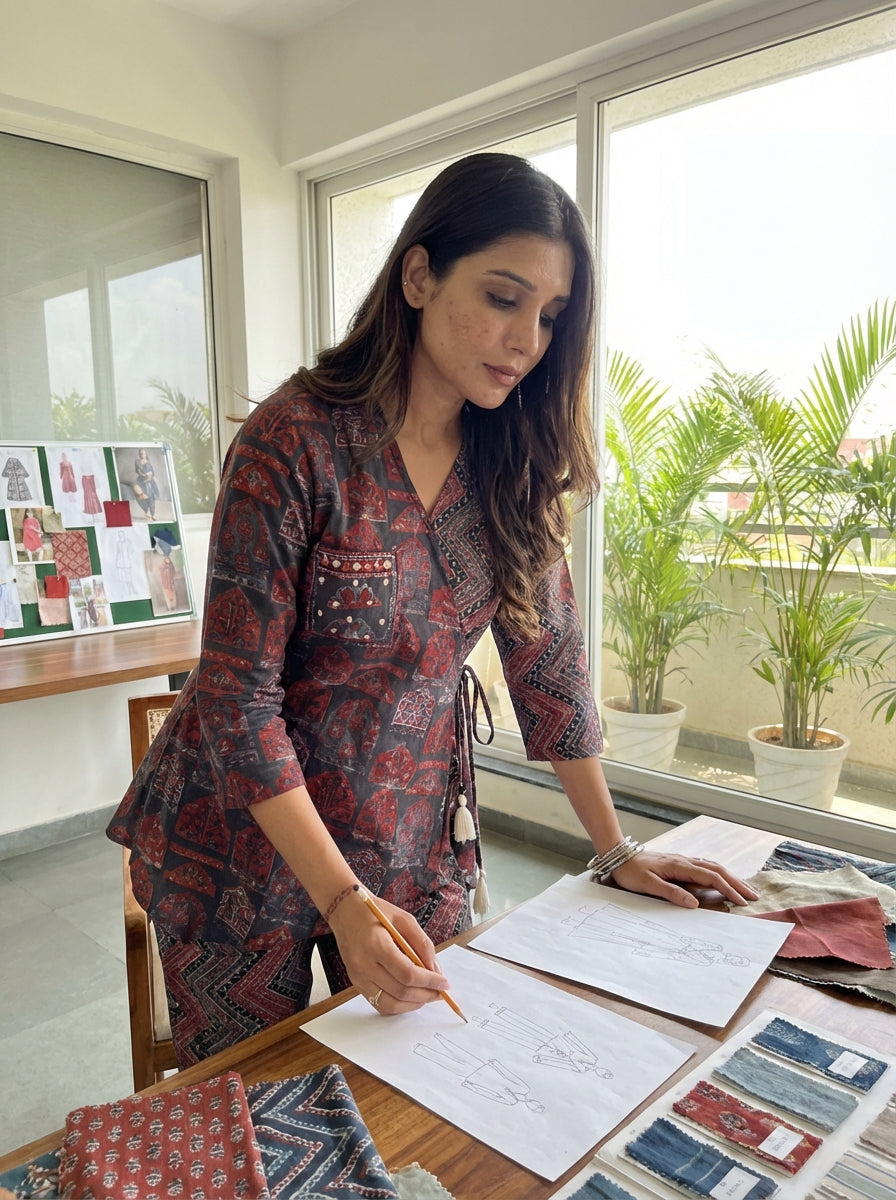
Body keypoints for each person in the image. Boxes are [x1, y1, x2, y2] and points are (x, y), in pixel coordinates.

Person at [107, 152, 756, 1068]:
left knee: (431, 1080)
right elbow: (237, 701)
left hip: (408, 830)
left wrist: (614, 851)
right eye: (502, 297)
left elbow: (551, 667)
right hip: (237, 848)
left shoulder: (513, 465)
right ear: (418, 275)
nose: (527, 337)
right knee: (259, 1107)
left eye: (550, 315)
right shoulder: (295, 443)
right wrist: (341, 901)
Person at [134, 448, 159, 519]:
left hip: (150, 481)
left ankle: (152, 514)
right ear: (139, 454)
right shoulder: (137, 461)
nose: (142, 455)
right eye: (141, 453)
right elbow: (138, 470)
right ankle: (146, 511)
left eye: (144, 453)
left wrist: (149, 475)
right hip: (141, 481)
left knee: (151, 497)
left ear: (146, 454)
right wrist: (143, 475)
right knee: (142, 496)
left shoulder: (148, 462)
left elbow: (152, 472)